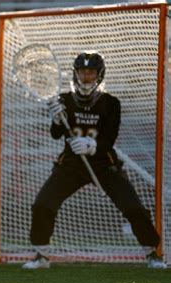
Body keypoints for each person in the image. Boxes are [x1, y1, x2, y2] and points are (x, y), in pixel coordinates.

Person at [22, 51, 166, 270]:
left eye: (91, 72)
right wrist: (55, 118)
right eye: (82, 72)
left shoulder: (111, 103)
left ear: (99, 74)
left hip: (104, 164)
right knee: (43, 204)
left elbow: (109, 139)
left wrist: (92, 146)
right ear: (75, 74)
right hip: (71, 164)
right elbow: (55, 133)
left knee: (133, 208)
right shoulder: (64, 100)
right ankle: (41, 255)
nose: (86, 77)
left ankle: (152, 253)